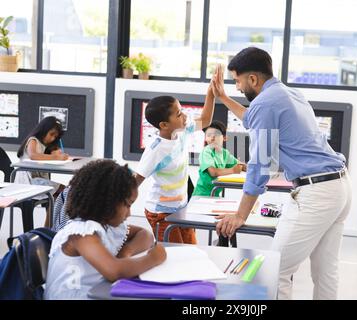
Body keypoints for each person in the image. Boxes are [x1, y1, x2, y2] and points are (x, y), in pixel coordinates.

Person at [212, 47, 352, 300]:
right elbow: (251, 118)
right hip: (339, 186)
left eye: (237, 81)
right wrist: (222, 97)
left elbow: (261, 164)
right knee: (325, 271)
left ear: (252, 79)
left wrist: (241, 214)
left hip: (316, 193)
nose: (238, 88)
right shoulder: (288, 93)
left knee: (276, 270)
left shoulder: (265, 104)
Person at [44, 160, 166, 300]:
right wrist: (153, 258)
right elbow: (114, 271)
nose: (129, 213)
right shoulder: (81, 233)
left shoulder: (108, 226)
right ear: (107, 201)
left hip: (97, 293)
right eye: (127, 205)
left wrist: (127, 251)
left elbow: (145, 234)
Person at [134, 83, 216, 244]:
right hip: (160, 213)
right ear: (164, 125)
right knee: (174, 256)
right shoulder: (155, 150)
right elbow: (134, 182)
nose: (185, 116)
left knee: (191, 251)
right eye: (179, 114)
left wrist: (211, 93)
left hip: (181, 208)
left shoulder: (182, 132)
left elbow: (205, 120)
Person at [16, 116, 69, 227]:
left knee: (60, 194)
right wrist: (56, 158)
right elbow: (34, 155)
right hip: (28, 182)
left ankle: (48, 227)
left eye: (55, 136)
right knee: (64, 191)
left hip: (38, 181)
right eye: (51, 134)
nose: (52, 138)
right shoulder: (33, 140)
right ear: (44, 129)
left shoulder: (46, 145)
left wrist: (57, 153)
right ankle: (49, 227)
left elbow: (53, 154)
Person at [192, 120, 246, 197]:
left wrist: (247, 167)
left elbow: (240, 165)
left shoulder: (225, 154)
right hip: (202, 195)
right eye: (209, 135)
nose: (212, 138)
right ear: (205, 138)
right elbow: (213, 172)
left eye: (216, 135)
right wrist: (233, 170)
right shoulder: (206, 151)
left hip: (215, 194)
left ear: (224, 138)